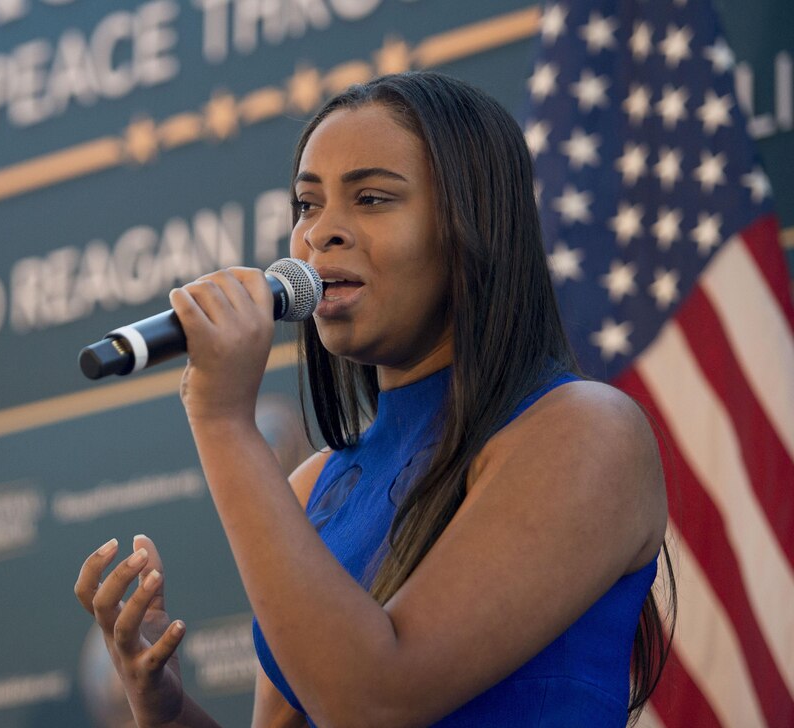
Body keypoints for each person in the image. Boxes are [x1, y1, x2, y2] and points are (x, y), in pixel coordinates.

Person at [75, 71, 674, 727]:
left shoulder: (584, 433)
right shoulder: (312, 487)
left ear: (473, 226)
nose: (320, 234)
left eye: (371, 198)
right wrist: (161, 706)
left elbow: (373, 701)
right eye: (307, 205)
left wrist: (223, 421)